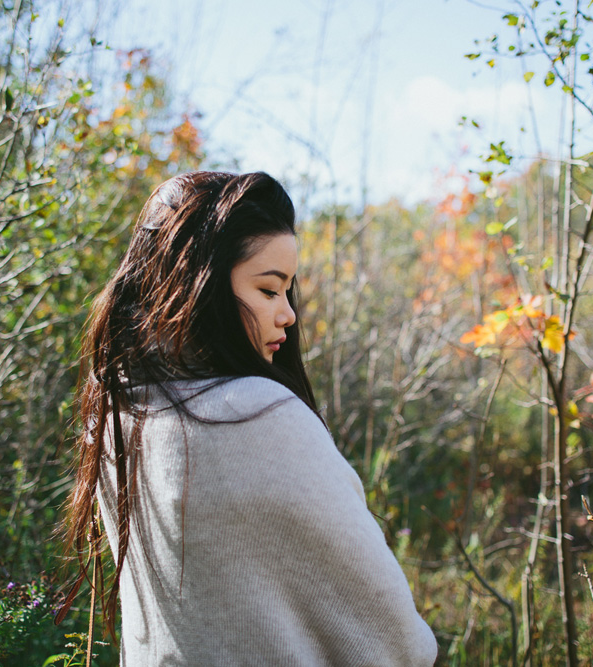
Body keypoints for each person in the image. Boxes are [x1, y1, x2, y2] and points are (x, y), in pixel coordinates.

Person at [66, 171, 438, 665]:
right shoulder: (261, 417)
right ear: (196, 286)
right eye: (268, 290)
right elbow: (394, 639)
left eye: (288, 291)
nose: (288, 315)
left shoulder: (114, 415)